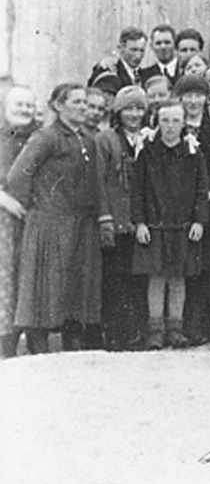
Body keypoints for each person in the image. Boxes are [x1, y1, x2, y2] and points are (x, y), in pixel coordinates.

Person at [8, 83, 108, 353]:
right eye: (76, 102)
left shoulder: (87, 138)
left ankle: (72, 340)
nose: (83, 108)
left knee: (77, 285)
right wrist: (36, 206)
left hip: (80, 223)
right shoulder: (46, 137)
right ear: (58, 106)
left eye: (85, 103)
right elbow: (18, 175)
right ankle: (38, 343)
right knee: (44, 284)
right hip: (49, 223)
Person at [131, 100, 208, 349]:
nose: (171, 126)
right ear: (157, 122)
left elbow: (201, 190)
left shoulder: (194, 154)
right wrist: (140, 223)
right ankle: (155, 331)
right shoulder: (147, 153)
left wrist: (199, 221)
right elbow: (138, 191)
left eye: (176, 120)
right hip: (155, 226)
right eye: (165, 120)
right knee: (156, 277)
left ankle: (175, 329)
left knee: (178, 278)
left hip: (183, 225)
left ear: (184, 123)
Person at [175, 74, 210, 344]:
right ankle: (182, 325)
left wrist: (208, 191)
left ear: (206, 99)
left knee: (206, 264)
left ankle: (201, 324)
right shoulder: (174, 124)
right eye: (188, 95)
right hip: (179, 206)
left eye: (198, 95)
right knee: (184, 264)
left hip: (208, 204)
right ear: (180, 98)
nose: (193, 101)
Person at [95, 87, 148, 351]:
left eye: (139, 109)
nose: (134, 114)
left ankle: (136, 334)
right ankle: (114, 334)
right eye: (128, 108)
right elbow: (99, 181)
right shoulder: (106, 140)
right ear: (118, 111)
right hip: (115, 220)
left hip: (140, 222)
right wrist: (104, 216)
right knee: (115, 279)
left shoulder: (149, 138)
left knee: (138, 278)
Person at [0, 85, 40, 357]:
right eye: (18, 105)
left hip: (34, 216)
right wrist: (5, 200)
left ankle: (36, 334)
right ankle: (6, 340)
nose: (24, 110)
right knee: (5, 277)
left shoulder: (40, 138)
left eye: (28, 105)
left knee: (32, 275)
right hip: (3, 217)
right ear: (5, 108)